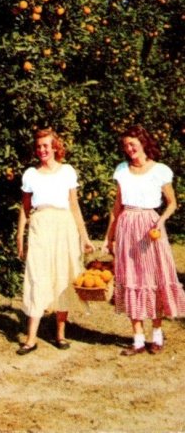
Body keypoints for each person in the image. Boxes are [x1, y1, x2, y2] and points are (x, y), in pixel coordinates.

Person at [102, 124, 185, 356]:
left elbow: (172, 203)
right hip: (127, 225)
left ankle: (157, 335)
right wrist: (109, 237)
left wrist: (160, 221)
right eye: (126, 145)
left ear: (143, 143)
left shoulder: (160, 170)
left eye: (133, 144)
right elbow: (117, 206)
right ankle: (137, 339)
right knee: (131, 279)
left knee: (154, 278)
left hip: (150, 226)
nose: (129, 149)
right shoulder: (121, 170)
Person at [16, 128, 94, 354]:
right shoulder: (31, 174)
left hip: (64, 225)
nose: (42, 150)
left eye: (46, 146)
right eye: (39, 146)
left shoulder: (67, 172)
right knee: (37, 276)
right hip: (40, 224)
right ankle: (31, 338)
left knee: (63, 276)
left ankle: (60, 334)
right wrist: (20, 235)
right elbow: (25, 207)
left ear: (55, 147)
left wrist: (85, 236)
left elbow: (74, 205)